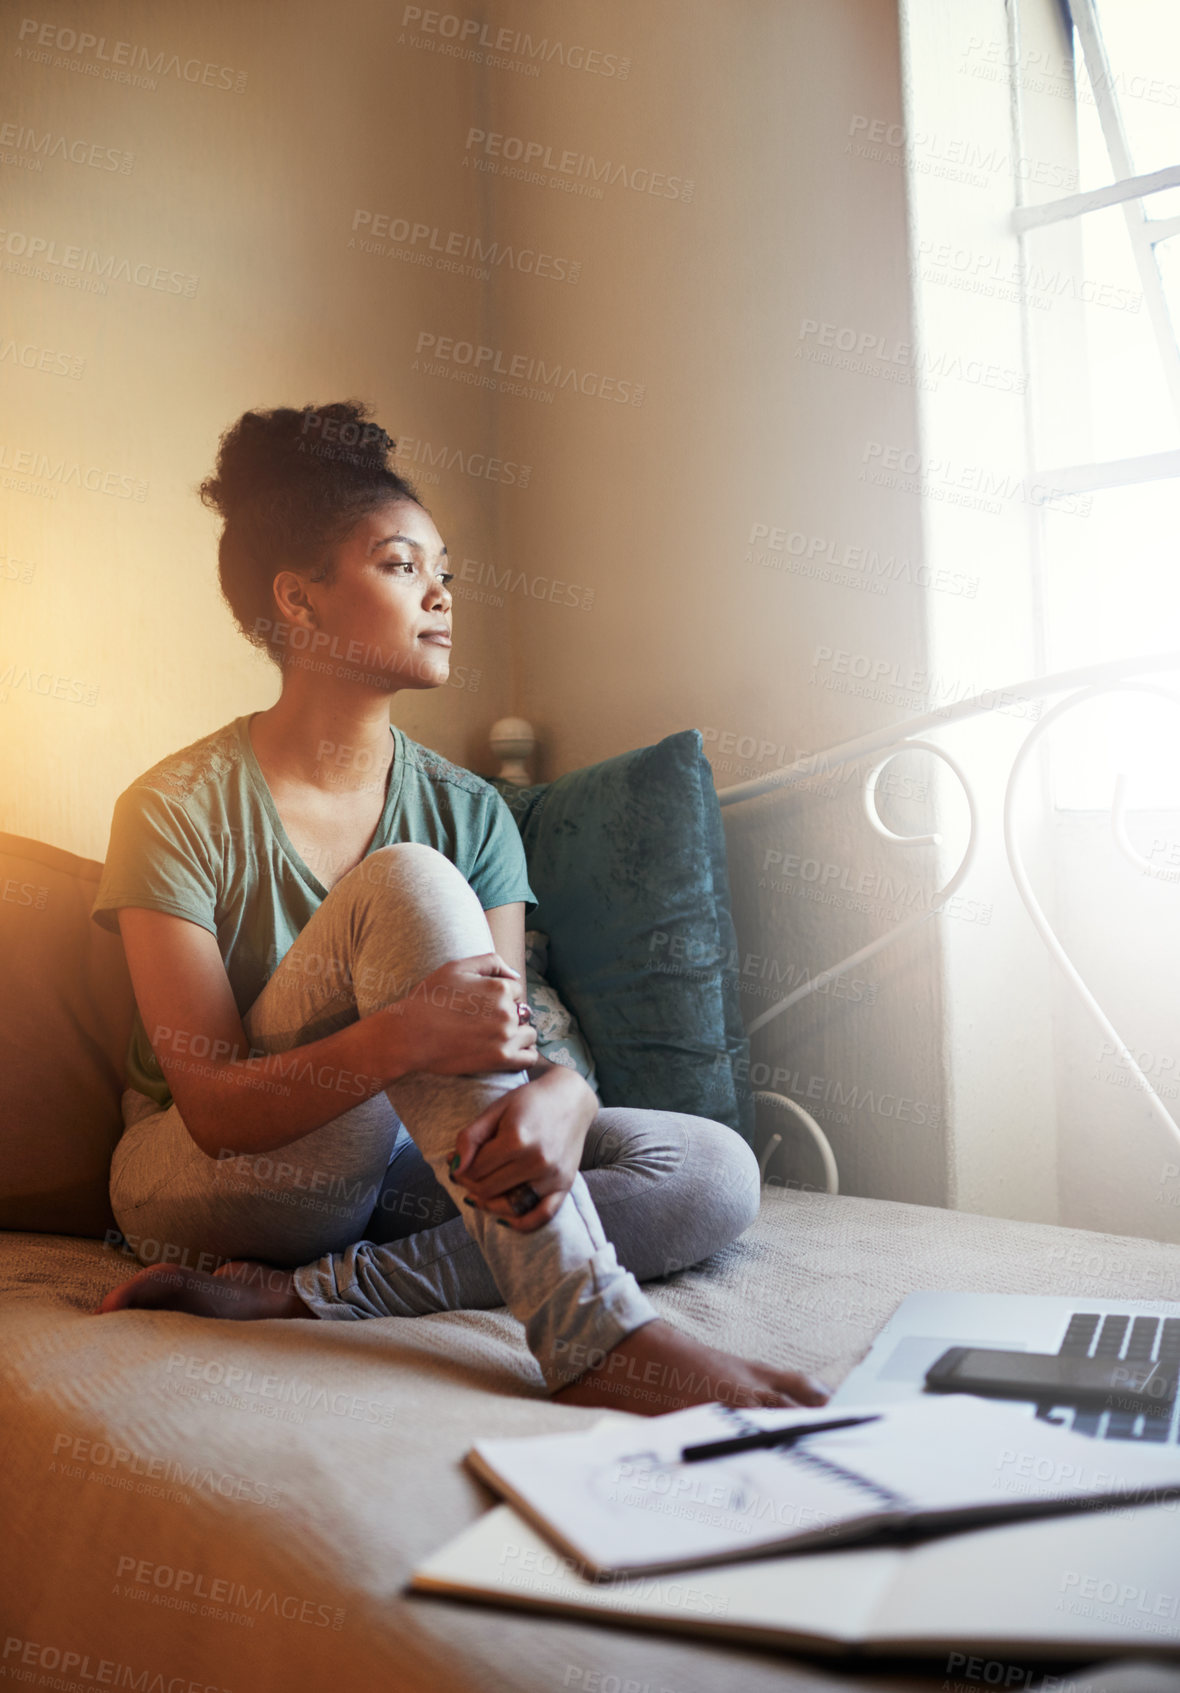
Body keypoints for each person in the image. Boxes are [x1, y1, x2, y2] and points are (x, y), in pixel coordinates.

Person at [91, 399, 831, 1417]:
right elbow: (215, 1112)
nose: (441, 594)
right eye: (401, 567)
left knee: (707, 1169)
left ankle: (315, 1298)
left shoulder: (472, 808)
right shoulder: (172, 807)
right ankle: (592, 1332)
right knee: (406, 879)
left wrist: (561, 1099)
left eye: (445, 570)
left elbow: (504, 1040)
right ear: (298, 603)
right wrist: (401, 1037)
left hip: (395, 1176)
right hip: (207, 1178)